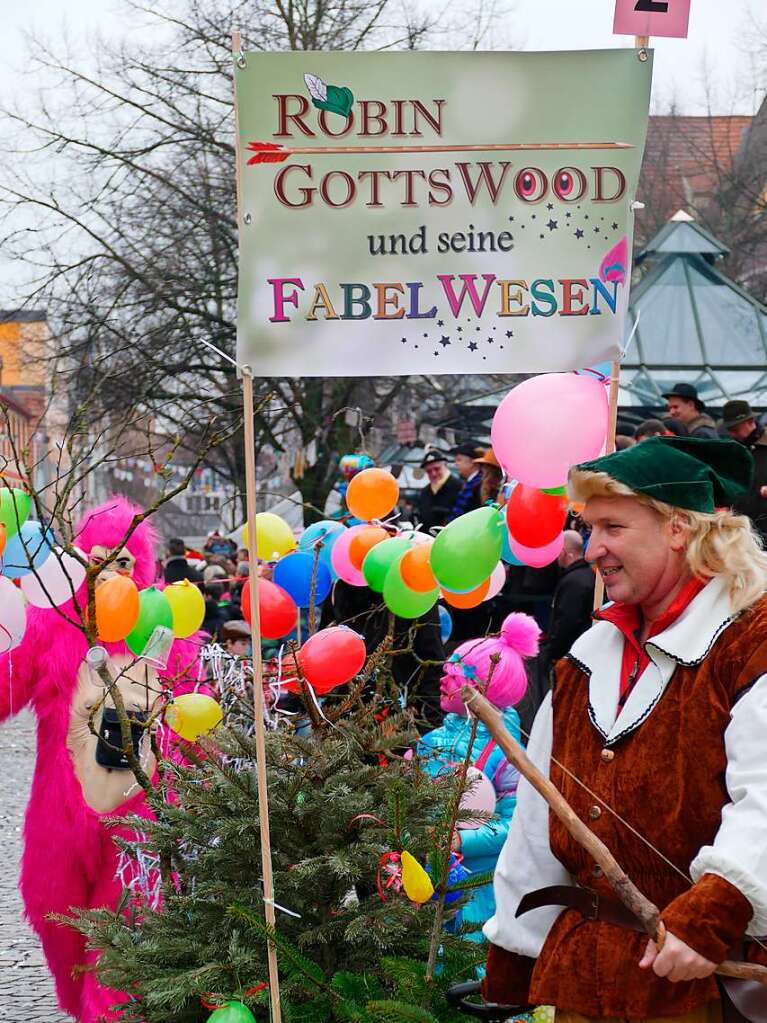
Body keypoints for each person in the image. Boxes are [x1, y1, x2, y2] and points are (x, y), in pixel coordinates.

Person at [482, 435, 767, 1023]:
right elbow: (540, 821)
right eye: (589, 529)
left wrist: (712, 913)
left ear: (678, 529)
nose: (592, 550)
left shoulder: (750, 642)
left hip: (701, 979)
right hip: (585, 976)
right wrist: (514, 951)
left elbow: (763, 798)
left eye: (612, 527)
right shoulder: (590, 654)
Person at [0, 497, 201, 1022]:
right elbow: (6, 688)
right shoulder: (52, 626)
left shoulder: (170, 639)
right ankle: (81, 1004)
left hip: (141, 821)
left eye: (125, 562)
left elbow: (197, 723)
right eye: (100, 559)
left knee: (121, 950)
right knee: (55, 917)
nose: (112, 573)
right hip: (60, 817)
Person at [418, 613, 541, 944]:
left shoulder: (508, 754)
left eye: (454, 674)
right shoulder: (431, 742)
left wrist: (461, 841)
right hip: (430, 875)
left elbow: (517, 824)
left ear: (481, 689)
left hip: (480, 887)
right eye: (445, 671)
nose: (443, 680)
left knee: (469, 962)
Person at [538, 530, 595, 682]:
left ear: (564, 551)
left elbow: (566, 621)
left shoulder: (574, 581)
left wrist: (552, 652)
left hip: (568, 658)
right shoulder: (584, 576)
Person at [722, 399, 767, 544]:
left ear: (750, 421)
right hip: (742, 528)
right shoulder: (733, 449)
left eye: (735, 429)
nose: (733, 434)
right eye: (730, 431)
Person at [418, 449, 462, 533]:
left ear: (445, 465)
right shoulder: (424, 492)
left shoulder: (459, 487)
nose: (433, 473)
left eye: (437, 469)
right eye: (429, 471)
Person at [449, 442, 486, 520]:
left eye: (459, 460)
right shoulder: (471, 483)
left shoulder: (480, 485)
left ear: (472, 462)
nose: (456, 464)